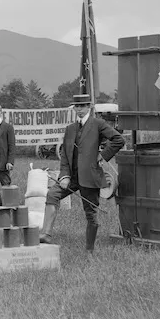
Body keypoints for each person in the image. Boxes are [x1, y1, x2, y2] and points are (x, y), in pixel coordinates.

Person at [40, 94, 125, 253]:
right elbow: (65, 154)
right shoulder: (70, 129)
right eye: (76, 107)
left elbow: (118, 140)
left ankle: (89, 250)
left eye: (82, 106)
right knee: (52, 194)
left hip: (90, 177)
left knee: (91, 214)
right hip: (71, 177)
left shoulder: (98, 124)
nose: (79, 110)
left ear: (89, 107)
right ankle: (45, 234)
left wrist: (103, 155)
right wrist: (64, 175)